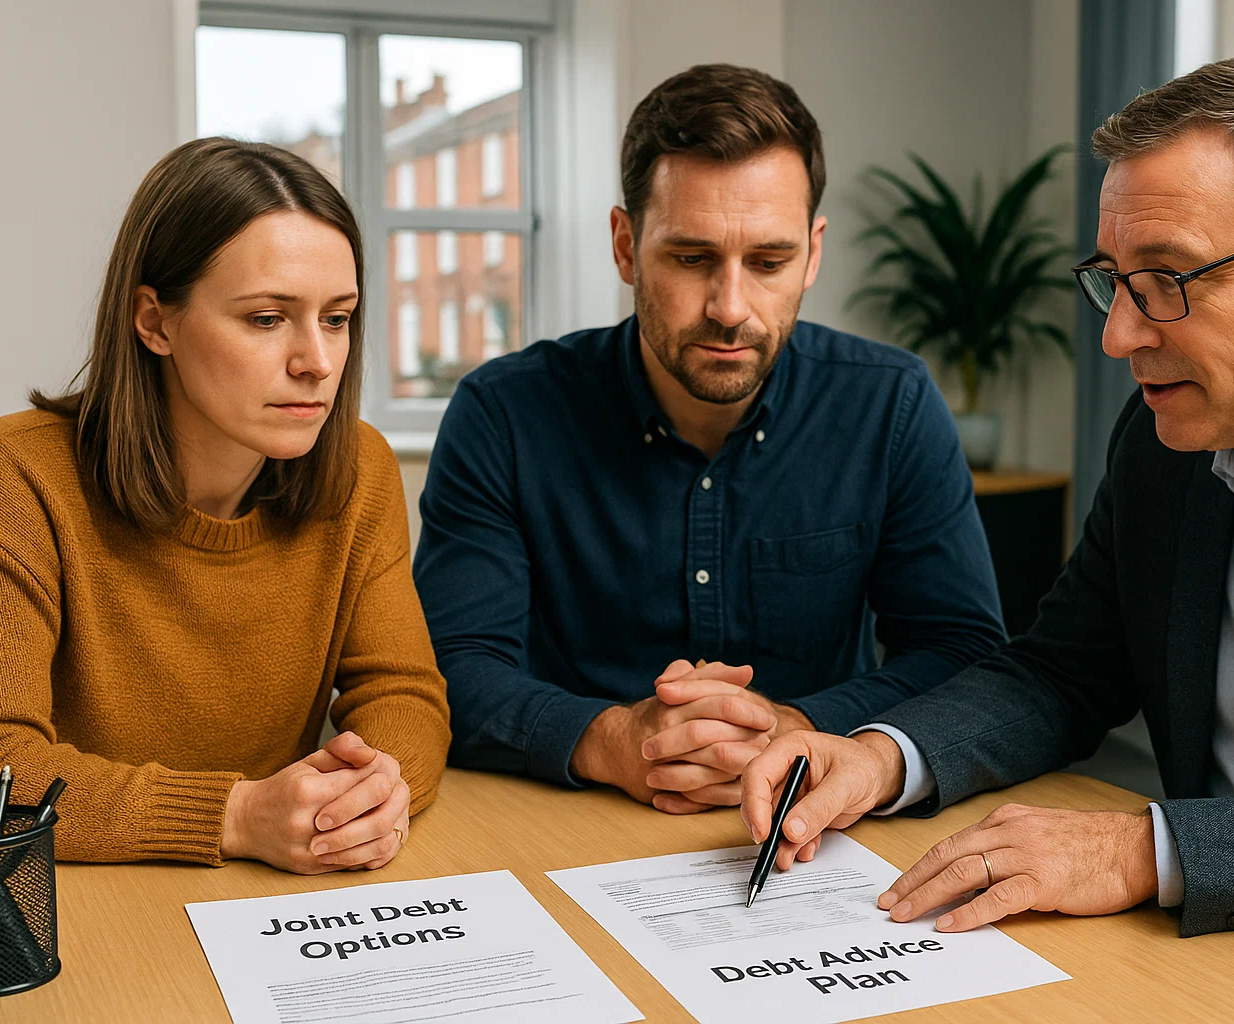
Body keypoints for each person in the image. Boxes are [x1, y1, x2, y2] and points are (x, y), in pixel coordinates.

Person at [741, 51, 1234, 937]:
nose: (1119, 336)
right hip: (1184, 959)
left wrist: (1150, 849)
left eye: (1168, 280)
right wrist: (881, 757)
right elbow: (1061, 673)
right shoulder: (1164, 441)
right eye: (1113, 281)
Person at [415, 64, 1004, 814]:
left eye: (769, 262)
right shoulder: (503, 413)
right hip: (571, 820)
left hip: (817, 829)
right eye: (692, 259)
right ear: (625, 245)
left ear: (813, 253)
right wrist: (613, 739)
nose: (730, 307)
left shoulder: (891, 403)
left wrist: (797, 728)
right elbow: (451, 666)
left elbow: (963, 652)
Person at [0, 138, 451, 874]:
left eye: (336, 318)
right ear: (154, 322)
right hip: (77, 898)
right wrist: (236, 816)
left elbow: (404, 693)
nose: (317, 362)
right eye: (267, 318)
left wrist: (372, 793)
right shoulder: (10, 475)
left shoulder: (361, 468)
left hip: (274, 891)